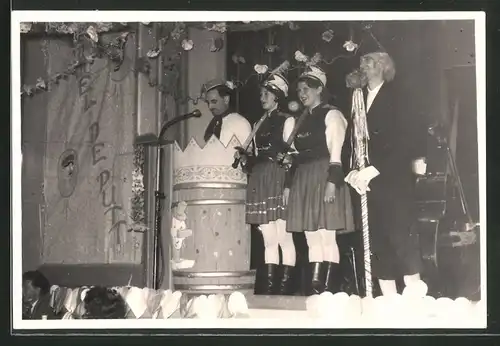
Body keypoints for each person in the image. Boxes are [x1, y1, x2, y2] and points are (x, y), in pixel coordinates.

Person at [345, 51, 423, 296]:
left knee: (400, 237)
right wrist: (352, 172)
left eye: (368, 63)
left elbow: (406, 140)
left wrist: (375, 168)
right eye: (361, 64)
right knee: (376, 242)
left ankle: (415, 295)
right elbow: (353, 139)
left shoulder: (398, 97)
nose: (363, 68)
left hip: (393, 180)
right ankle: (388, 298)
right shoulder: (358, 98)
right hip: (369, 184)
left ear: (382, 66)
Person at [282, 65, 355, 296]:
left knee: (326, 234)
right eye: (299, 90)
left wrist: (332, 182)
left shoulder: (331, 114)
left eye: (307, 89)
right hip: (304, 177)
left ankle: (329, 288)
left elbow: (337, 151)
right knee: (311, 236)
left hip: (324, 175)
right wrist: (288, 184)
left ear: (320, 89)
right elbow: (293, 156)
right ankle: (316, 287)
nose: (302, 93)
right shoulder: (299, 120)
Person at [237, 72, 297, 295]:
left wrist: (288, 185)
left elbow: (292, 156)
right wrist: (246, 160)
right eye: (261, 94)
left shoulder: (286, 120)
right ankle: (272, 291)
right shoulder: (257, 123)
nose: (262, 98)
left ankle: (285, 290)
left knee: (284, 236)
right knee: (269, 239)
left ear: (277, 96)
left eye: (266, 94)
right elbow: (255, 155)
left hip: (278, 177)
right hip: (260, 178)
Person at [202, 79, 252, 147]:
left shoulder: (240, 123)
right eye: (208, 103)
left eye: (214, 102)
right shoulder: (214, 123)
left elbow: (246, 154)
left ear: (226, 99)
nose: (210, 107)